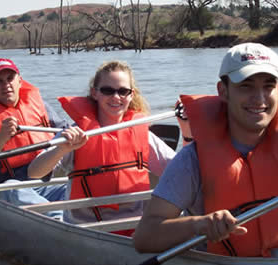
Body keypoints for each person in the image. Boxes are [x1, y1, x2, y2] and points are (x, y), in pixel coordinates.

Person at [133, 43, 278, 257]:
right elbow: (144, 236)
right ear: (223, 91)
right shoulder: (192, 160)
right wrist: (200, 225)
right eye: (246, 86)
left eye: (268, 86)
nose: (259, 98)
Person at [28, 60, 176, 236]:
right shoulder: (76, 134)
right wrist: (62, 149)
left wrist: (189, 133)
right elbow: (34, 172)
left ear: (131, 95)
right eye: (107, 90)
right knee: (13, 188)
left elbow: (181, 170)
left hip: (135, 229)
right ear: (94, 93)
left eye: (123, 91)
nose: (116, 97)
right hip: (87, 230)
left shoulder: (144, 135)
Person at [0, 58, 68, 216]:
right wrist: (1, 138)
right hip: (6, 188)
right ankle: (59, 219)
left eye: (10, 79)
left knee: (72, 188)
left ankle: (75, 220)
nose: (6, 85)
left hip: (45, 184)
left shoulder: (42, 107)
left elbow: (64, 131)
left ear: (20, 81)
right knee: (15, 189)